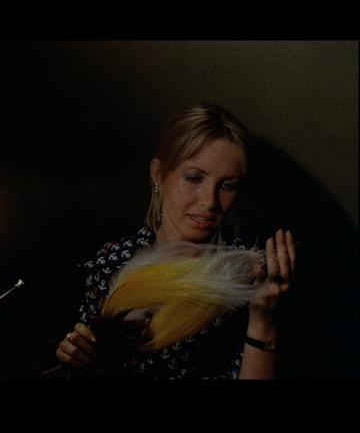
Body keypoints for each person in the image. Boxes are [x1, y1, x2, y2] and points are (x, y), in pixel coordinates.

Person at [55, 103, 296, 379]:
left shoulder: (250, 275)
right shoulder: (112, 262)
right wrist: (76, 358)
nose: (210, 201)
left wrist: (262, 321)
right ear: (158, 173)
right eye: (194, 178)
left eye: (227, 185)